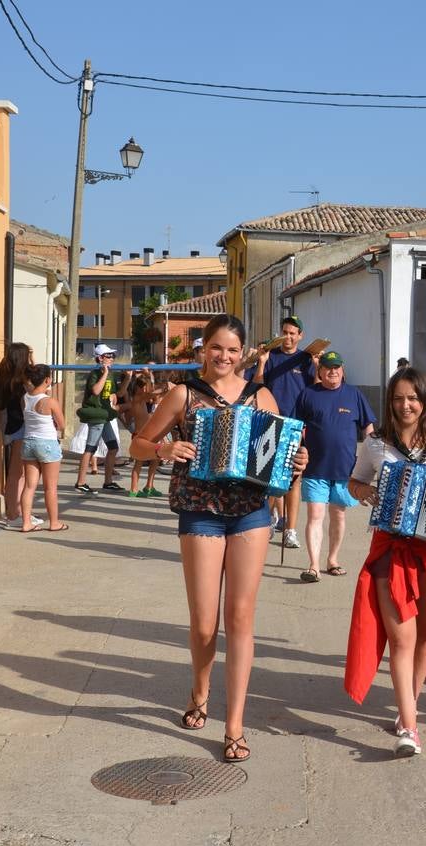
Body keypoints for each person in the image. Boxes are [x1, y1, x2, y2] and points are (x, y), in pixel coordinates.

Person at [131, 314, 308, 764]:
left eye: (232, 350)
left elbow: (281, 455)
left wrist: (297, 459)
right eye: (216, 348)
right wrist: (164, 449)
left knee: (241, 618)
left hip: (250, 512)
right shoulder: (183, 395)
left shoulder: (261, 396)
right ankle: (200, 692)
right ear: (202, 349)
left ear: (243, 352)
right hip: (201, 511)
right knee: (205, 622)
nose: (224, 357)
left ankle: (234, 726)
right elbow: (137, 444)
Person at [344, 367, 426, 756]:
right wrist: (367, 490)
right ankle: (411, 729)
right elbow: (353, 484)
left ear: (424, 401)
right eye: (399, 398)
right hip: (391, 548)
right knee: (401, 639)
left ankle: (408, 711)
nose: (406, 405)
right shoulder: (376, 445)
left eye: (413, 398)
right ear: (390, 402)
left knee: (422, 639)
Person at [294, 351, 376, 582]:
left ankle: (332, 560)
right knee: (315, 516)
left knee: (338, 515)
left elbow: (368, 429)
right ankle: (313, 566)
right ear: (319, 371)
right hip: (315, 468)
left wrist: (374, 459)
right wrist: (298, 448)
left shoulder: (354, 394)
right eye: (328, 367)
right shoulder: (308, 394)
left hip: (345, 470)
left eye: (336, 367)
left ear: (342, 370)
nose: (332, 371)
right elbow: (296, 426)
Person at [249, 315, 321, 550]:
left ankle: (290, 529)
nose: (288, 336)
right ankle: (269, 520)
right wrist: (261, 362)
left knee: (294, 479)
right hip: (271, 423)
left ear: (300, 336)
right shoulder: (271, 356)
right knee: (268, 476)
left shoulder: (306, 359)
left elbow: (316, 389)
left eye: (293, 333)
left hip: (297, 426)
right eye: (285, 331)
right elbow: (258, 386)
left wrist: (318, 366)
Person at [0, 342, 40, 528]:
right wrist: (32, 360)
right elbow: (36, 386)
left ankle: (16, 512)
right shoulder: (22, 382)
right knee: (17, 474)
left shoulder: (5, 378)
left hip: (11, 428)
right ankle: (14, 513)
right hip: (21, 428)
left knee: (18, 474)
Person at [17, 364, 69, 533]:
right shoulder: (50, 401)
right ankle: (54, 523)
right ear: (47, 380)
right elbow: (62, 425)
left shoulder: (24, 398)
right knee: (50, 487)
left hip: (28, 442)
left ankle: (26, 523)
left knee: (29, 486)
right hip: (47, 443)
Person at [73, 343, 124, 494]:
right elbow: (95, 390)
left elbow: (117, 395)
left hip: (105, 415)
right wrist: (105, 373)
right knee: (90, 448)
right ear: (101, 358)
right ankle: (80, 482)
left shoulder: (110, 374)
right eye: (109, 356)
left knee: (113, 447)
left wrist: (128, 379)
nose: (112, 358)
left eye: (112, 356)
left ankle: (108, 482)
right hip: (96, 415)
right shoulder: (95, 374)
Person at [120, 368, 164, 498]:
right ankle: (134, 489)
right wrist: (149, 375)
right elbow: (155, 392)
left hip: (149, 436)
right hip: (140, 436)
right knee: (138, 463)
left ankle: (149, 486)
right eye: (144, 387)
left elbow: (153, 394)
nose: (147, 390)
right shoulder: (138, 398)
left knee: (156, 459)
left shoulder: (143, 399)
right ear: (138, 388)